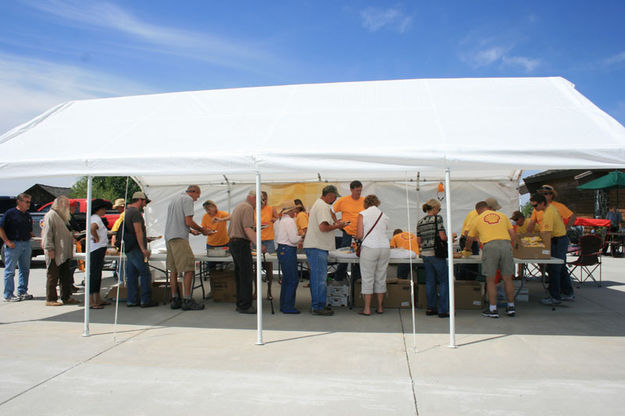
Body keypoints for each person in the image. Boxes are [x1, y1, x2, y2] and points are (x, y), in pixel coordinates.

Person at [465, 201, 516, 318]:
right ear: (488, 207)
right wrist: (510, 245)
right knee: (508, 278)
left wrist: (467, 249)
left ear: (478, 210)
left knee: (490, 279)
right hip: (506, 244)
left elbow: (470, 238)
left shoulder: (477, 219)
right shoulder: (502, 216)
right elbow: (512, 233)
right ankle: (511, 307)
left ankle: (493, 309)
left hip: (490, 245)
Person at [303, 185, 347, 316]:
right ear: (329, 195)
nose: (334, 200)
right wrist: (338, 226)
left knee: (318, 278)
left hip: (317, 246)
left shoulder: (319, 204)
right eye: (334, 197)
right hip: (317, 247)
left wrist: (335, 224)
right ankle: (317, 306)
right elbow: (323, 227)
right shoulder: (323, 206)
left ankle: (318, 304)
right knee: (319, 279)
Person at [164, 185, 209, 311]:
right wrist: (202, 230)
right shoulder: (187, 200)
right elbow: (188, 221)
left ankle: (175, 299)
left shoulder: (174, 199)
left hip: (169, 237)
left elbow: (177, 221)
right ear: (193, 192)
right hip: (179, 239)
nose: (196, 199)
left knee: (173, 270)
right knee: (189, 268)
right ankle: (187, 299)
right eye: (197, 196)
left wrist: (190, 231)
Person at [530, 193, 575, 305]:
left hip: (557, 241)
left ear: (542, 203)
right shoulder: (549, 210)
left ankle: (555, 296)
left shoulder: (548, 213)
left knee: (554, 268)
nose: (534, 208)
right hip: (559, 240)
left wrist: (535, 245)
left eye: (535, 206)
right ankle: (568, 292)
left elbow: (546, 233)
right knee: (561, 267)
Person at [41, 196, 81, 306]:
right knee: (53, 275)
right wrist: (49, 248)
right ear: (59, 205)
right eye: (66, 205)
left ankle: (66, 297)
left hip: (64, 251)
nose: (68, 207)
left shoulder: (62, 216)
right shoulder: (50, 215)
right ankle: (51, 299)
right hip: (55, 251)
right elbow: (47, 234)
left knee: (65, 275)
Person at [228, 190, 263, 314]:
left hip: (234, 242)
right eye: (259, 200)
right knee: (246, 276)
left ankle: (241, 303)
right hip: (240, 243)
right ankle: (245, 305)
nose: (259, 203)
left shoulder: (239, 206)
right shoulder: (248, 208)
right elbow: (247, 228)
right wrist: (259, 245)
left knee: (240, 275)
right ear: (252, 198)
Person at [356, 195, 391, 315]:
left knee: (368, 278)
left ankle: (367, 308)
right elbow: (385, 231)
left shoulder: (363, 214)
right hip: (385, 248)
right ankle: (380, 307)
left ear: (365, 203)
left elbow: (359, 235)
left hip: (370, 247)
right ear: (377, 202)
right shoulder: (384, 215)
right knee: (381, 277)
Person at [123, 192, 158, 308]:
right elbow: (138, 231)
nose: (145, 205)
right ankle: (145, 300)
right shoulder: (136, 213)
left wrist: (144, 239)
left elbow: (133, 232)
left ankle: (132, 300)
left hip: (130, 248)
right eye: (145, 202)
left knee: (132, 275)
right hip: (137, 249)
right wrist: (143, 249)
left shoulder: (127, 212)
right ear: (139, 200)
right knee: (145, 273)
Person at [417, 199, 450, 318]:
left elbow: (419, 241)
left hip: (425, 254)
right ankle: (443, 310)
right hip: (436, 253)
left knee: (430, 281)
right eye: (439, 209)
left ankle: (430, 308)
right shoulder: (438, 218)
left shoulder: (420, 222)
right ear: (435, 208)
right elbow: (442, 236)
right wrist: (449, 238)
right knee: (444, 281)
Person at [1, 193, 34, 302]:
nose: (29, 204)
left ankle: (22, 291)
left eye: (29, 202)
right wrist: (7, 242)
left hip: (26, 244)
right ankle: (8, 294)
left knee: (24, 270)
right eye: (26, 202)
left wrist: (32, 235)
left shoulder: (28, 215)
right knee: (10, 271)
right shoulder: (10, 214)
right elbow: (1, 228)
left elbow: (29, 230)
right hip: (14, 244)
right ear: (19, 202)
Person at [332, 180, 364, 281]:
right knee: (343, 259)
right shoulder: (343, 200)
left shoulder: (364, 201)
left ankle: (357, 282)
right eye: (357, 190)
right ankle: (338, 280)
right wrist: (337, 222)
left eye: (360, 190)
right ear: (351, 190)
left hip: (361, 234)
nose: (359, 193)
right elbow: (331, 211)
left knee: (359, 259)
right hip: (347, 233)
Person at [274, 202, 302, 314]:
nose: (295, 212)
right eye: (294, 210)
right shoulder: (290, 221)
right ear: (291, 211)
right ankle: (288, 306)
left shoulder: (278, 221)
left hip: (281, 249)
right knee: (292, 280)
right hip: (288, 249)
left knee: (286, 279)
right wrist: (302, 237)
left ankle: (284, 304)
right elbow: (293, 239)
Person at [255, 191, 278, 299]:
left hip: (268, 240)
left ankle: (269, 291)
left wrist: (274, 219)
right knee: (255, 266)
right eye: (260, 199)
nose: (262, 201)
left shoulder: (271, 208)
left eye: (264, 199)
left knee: (269, 266)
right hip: (256, 240)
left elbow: (278, 220)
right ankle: (256, 292)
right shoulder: (253, 209)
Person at [88, 199, 110, 309]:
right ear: (98, 209)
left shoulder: (95, 218)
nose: (105, 211)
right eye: (104, 209)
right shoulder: (96, 218)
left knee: (97, 274)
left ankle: (97, 297)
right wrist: (96, 237)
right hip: (96, 249)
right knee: (94, 275)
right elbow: (92, 228)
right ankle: (91, 300)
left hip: (98, 249)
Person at [201, 200, 230, 270]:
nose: (207, 211)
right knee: (211, 265)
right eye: (206, 210)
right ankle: (214, 280)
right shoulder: (205, 217)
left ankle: (224, 279)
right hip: (211, 244)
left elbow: (232, 217)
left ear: (214, 207)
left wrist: (221, 219)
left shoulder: (222, 214)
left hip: (224, 243)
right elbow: (203, 230)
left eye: (208, 209)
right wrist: (206, 232)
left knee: (226, 264)